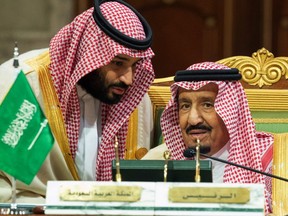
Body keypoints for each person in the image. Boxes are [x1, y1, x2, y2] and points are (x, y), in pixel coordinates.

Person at [0, 0, 155, 203]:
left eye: (135, 66)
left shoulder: (133, 96)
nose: (128, 79)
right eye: (118, 63)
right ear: (88, 53)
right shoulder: (26, 85)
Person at [143, 62, 273, 213]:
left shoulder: (271, 161)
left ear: (231, 110)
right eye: (185, 106)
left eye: (207, 105)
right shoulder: (159, 161)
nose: (193, 119)